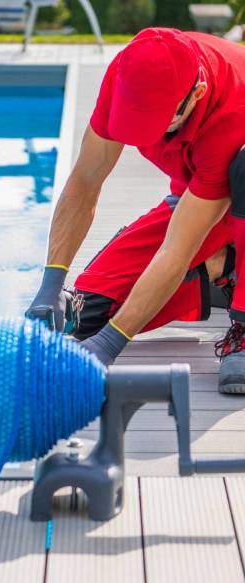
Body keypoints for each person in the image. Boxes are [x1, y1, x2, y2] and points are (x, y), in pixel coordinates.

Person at [26, 27, 245, 393]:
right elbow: (86, 179)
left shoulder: (231, 113)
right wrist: (52, 284)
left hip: (237, 183)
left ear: (197, 96)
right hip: (198, 196)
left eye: (160, 123)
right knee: (89, 314)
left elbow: (177, 250)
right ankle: (225, 268)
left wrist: (111, 346)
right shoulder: (129, 72)